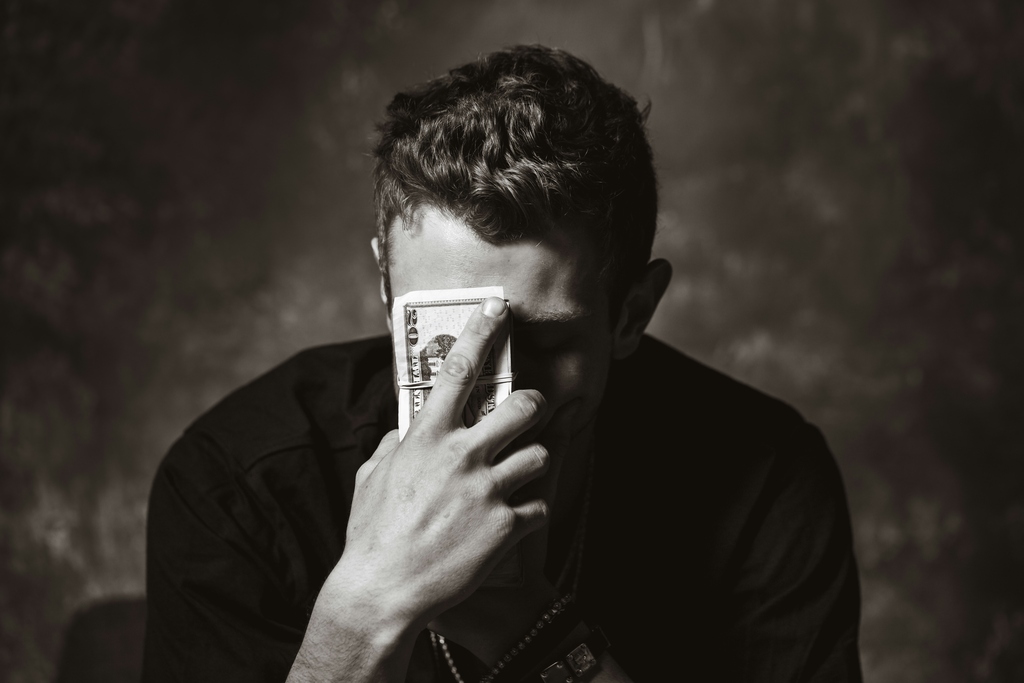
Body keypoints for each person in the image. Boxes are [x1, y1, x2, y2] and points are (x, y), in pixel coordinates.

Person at [142, 45, 862, 682]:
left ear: (632, 313)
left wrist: (520, 623)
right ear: (388, 291)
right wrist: (362, 609)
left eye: (544, 341)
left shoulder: (768, 477)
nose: (502, 390)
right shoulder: (237, 478)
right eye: (449, 334)